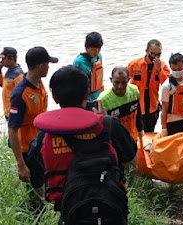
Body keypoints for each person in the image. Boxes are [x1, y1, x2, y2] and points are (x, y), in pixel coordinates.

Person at [28, 65, 136, 224]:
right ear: (87, 93)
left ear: (55, 98)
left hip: (71, 213)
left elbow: (35, 170)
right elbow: (131, 159)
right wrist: (103, 124)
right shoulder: (109, 126)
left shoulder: (44, 137)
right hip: (112, 210)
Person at [8, 46, 58, 209]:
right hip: (27, 150)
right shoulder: (20, 95)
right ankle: (37, 216)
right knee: (36, 192)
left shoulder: (39, 84)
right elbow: (12, 130)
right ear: (40, 66)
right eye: (47, 64)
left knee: (44, 183)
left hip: (39, 144)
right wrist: (21, 165)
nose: (49, 67)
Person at [127, 39, 170, 132]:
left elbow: (167, 85)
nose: (155, 57)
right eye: (153, 53)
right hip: (136, 104)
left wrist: (159, 70)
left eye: (158, 54)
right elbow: (124, 80)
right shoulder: (135, 64)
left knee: (150, 132)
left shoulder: (162, 66)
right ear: (146, 51)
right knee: (136, 131)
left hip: (152, 105)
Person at [98, 67, 144, 142]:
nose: (120, 86)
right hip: (115, 141)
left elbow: (138, 112)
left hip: (132, 136)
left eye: (123, 82)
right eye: (116, 82)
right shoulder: (103, 100)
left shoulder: (134, 91)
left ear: (128, 80)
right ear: (111, 80)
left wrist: (140, 129)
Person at [161, 53, 183, 136]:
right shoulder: (167, 86)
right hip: (171, 122)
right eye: (174, 69)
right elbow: (164, 109)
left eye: (179, 69)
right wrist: (164, 129)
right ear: (170, 68)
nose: (177, 71)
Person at [73, 32, 104, 101]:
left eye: (99, 49)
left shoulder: (99, 56)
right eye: (93, 49)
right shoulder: (79, 62)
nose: (96, 52)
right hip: (87, 99)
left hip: (98, 96)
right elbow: (76, 85)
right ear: (86, 47)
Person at [0, 47, 24, 119]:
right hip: (8, 112)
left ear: (11, 58)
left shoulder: (18, 75)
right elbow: (2, 84)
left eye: (3, 59)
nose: (1, 61)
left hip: (14, 113)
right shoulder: (9, 71)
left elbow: (22, 95)